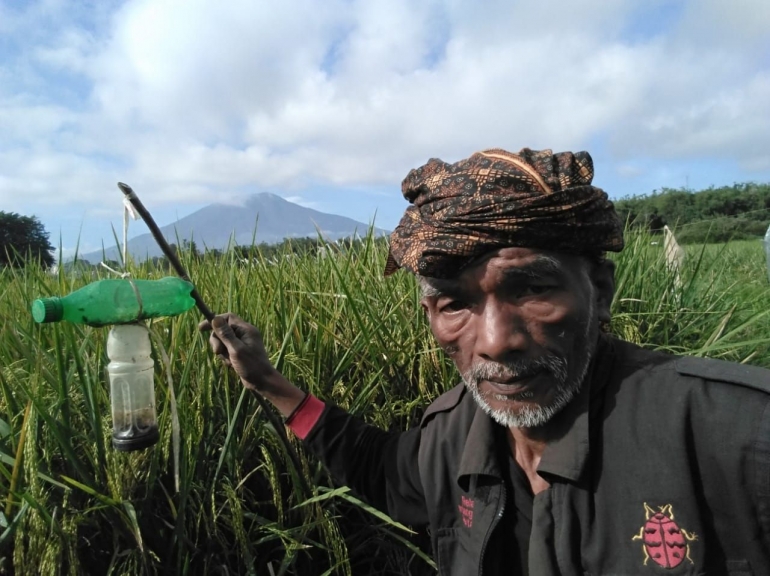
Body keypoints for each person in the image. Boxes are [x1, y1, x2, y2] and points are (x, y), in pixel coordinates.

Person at [200, 148, 770, 575]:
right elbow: (379, 469)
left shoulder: (733, 435)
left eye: (530, 289)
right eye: (454, 304)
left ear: (600, 288)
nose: (496, 341)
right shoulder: (452, 436)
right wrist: (268, 382)